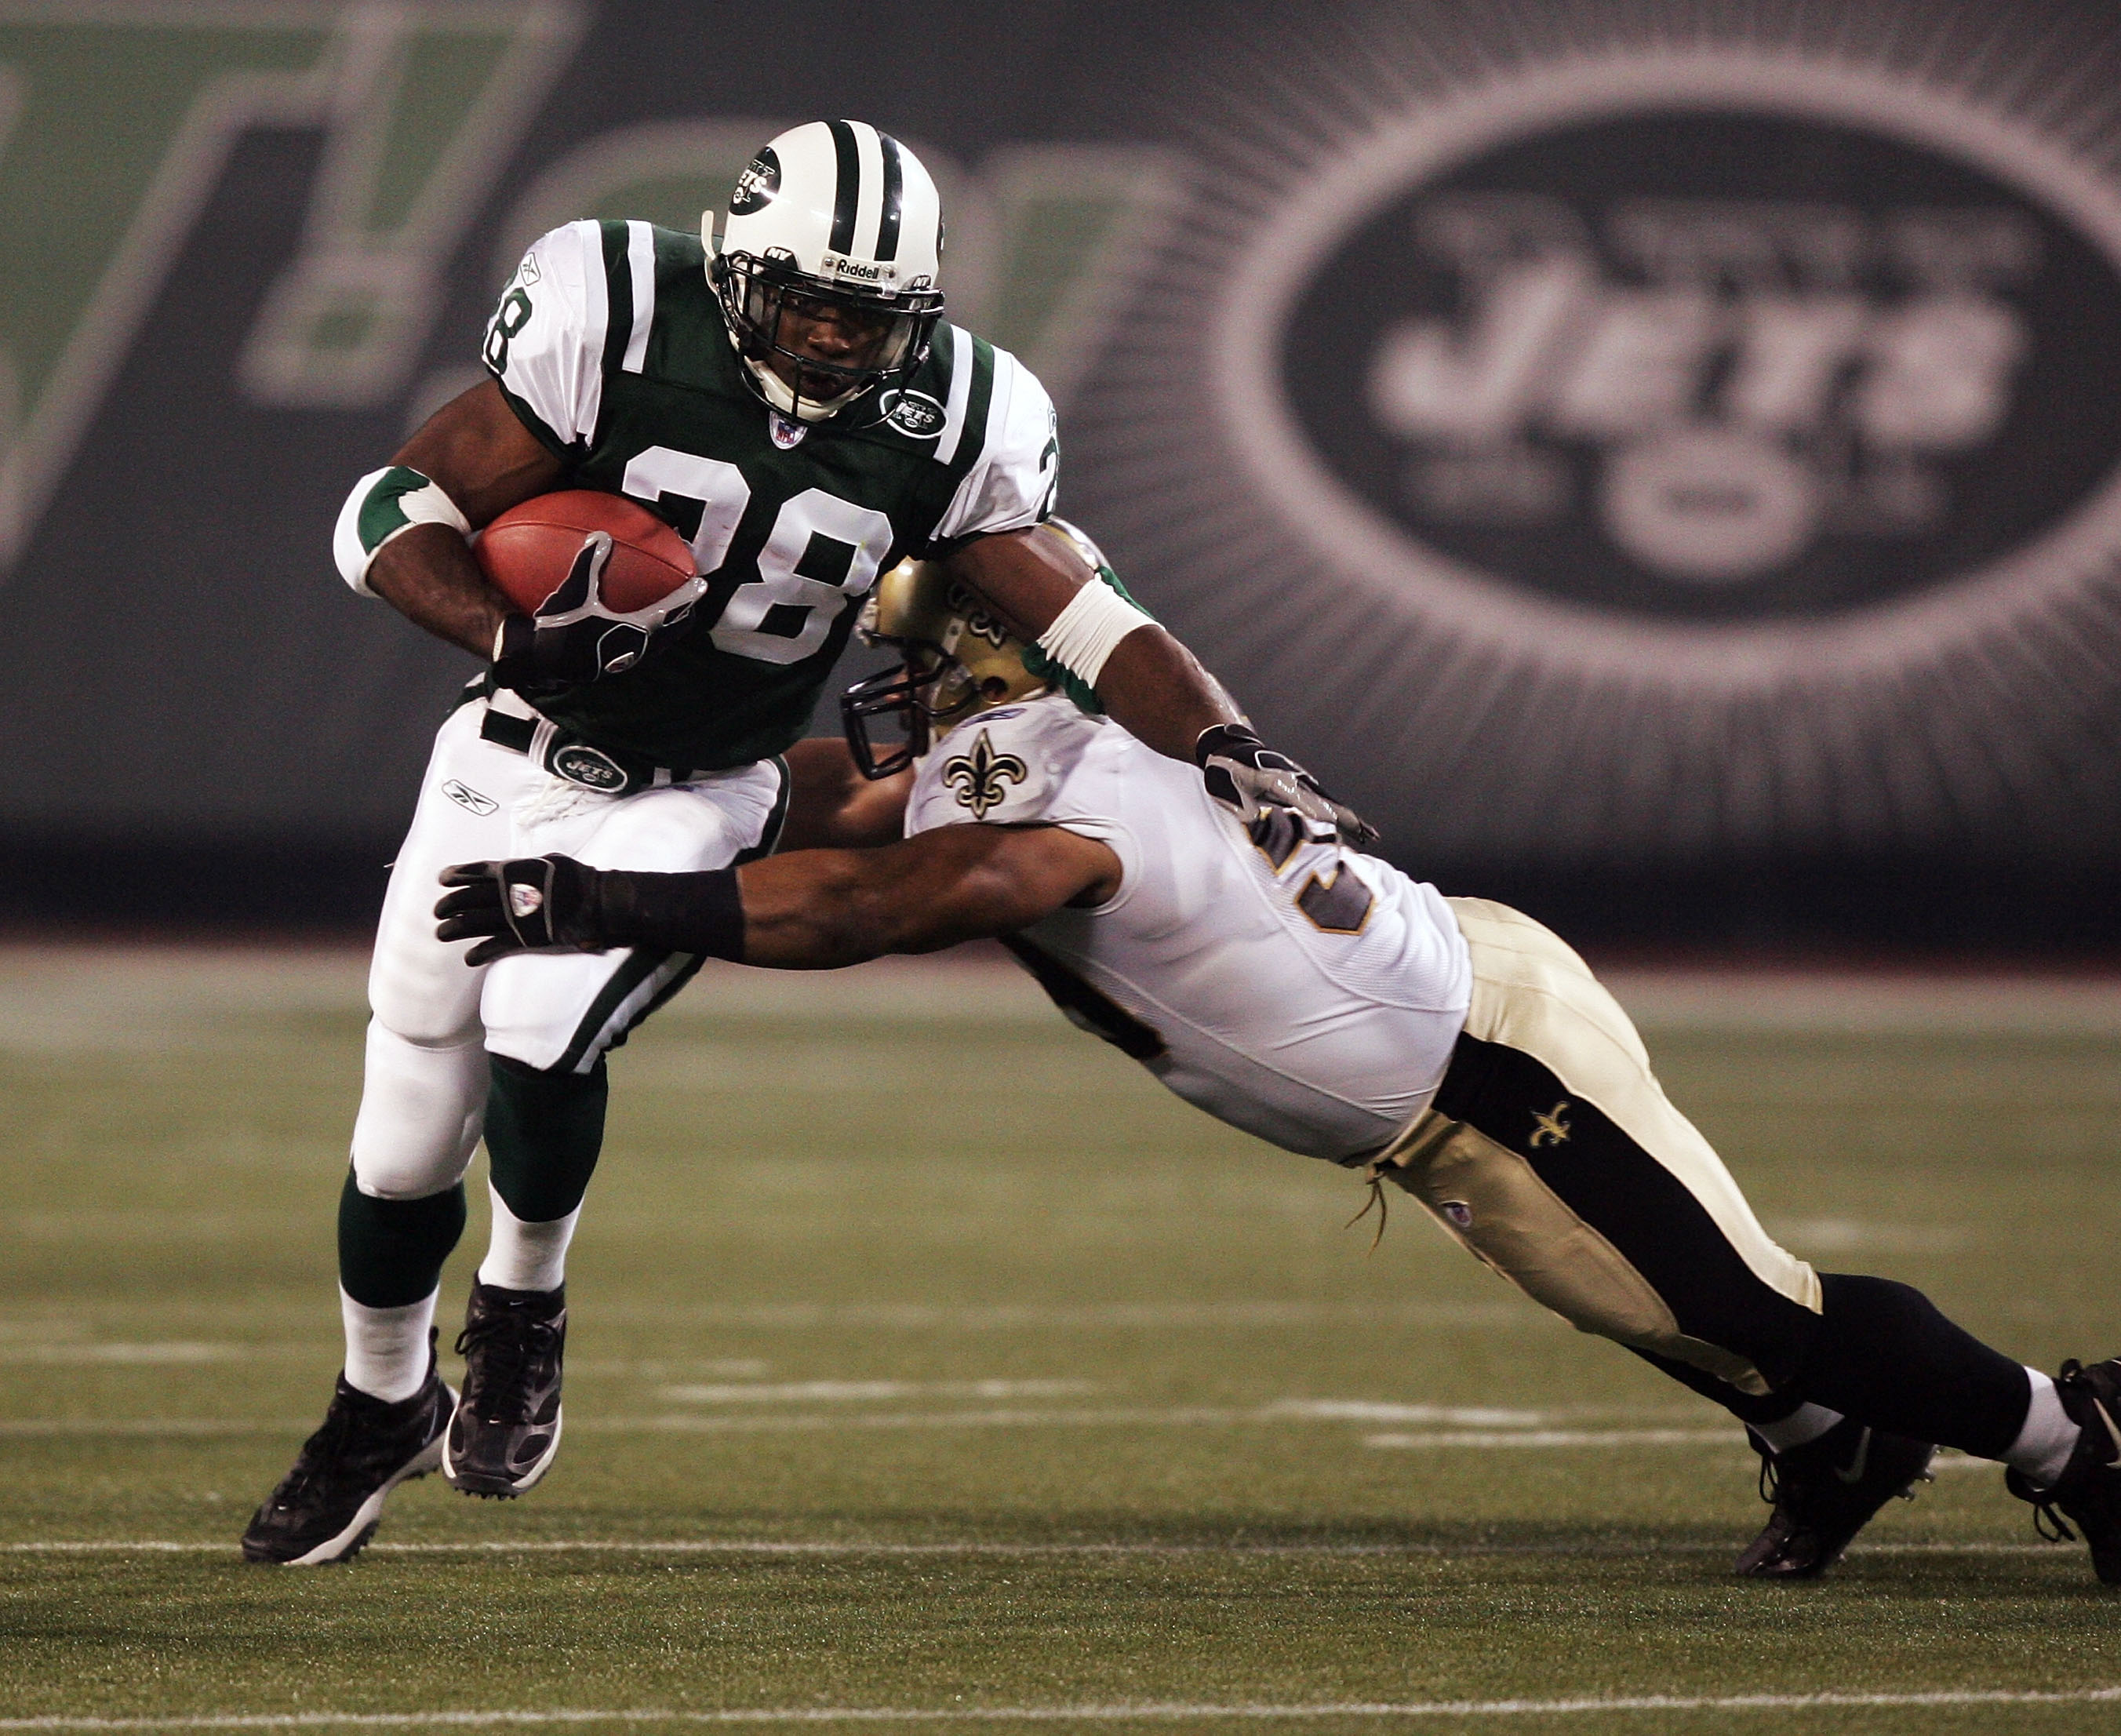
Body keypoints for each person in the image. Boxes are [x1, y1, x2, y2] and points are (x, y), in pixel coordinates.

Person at [435, 553, 2121, 1588]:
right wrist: (631, 772)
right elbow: (836, 805)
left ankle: (2070, 1430)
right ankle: (1835, 1451)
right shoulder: (1046, 737)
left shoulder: (1049, 788)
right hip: (1441, 1063)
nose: (889, 697)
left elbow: (902, 893)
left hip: (1488, 1064)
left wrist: (596, 893)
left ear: (995, 660)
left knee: (1756, 1300)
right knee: (1645, 1303)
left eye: (912, 661)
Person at [242, 121, 1356, 1567]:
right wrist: (512, 630)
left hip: (701, 780)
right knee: (399, 1143)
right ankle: (376, 1400)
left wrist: (1229, 741)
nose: (833, 337)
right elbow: (392, 507)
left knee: (538, 1010)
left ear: (923, 310)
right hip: (500, 759)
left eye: (869, 313)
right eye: (809, 300)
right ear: (737, 270)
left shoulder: (958, 417)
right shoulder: (619, 313)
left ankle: (525, 1299)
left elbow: (1091, 619)